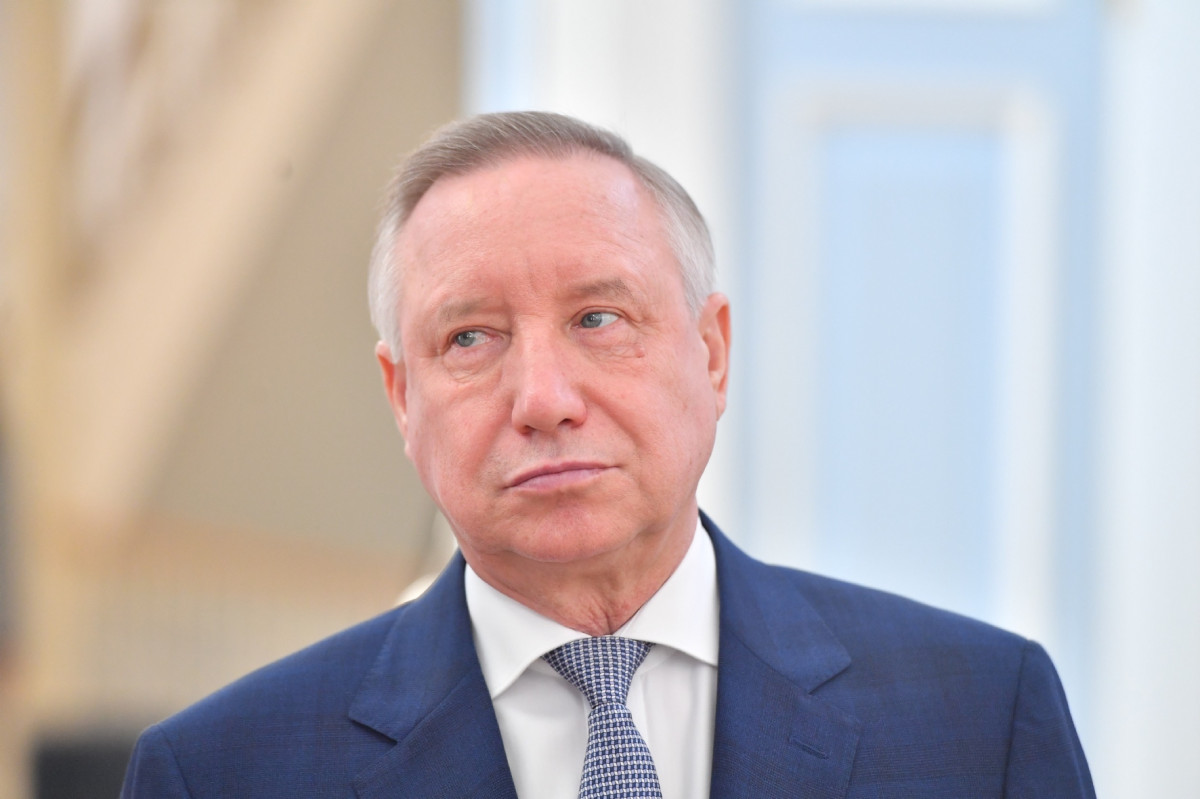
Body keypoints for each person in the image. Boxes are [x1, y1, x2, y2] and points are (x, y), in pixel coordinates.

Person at [121, 111, 1095, 798]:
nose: (544, 399)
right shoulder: (221, 774)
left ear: (711, 353)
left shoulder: (978, 717)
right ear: (403, 397)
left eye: (598, 318)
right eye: (470, 337)